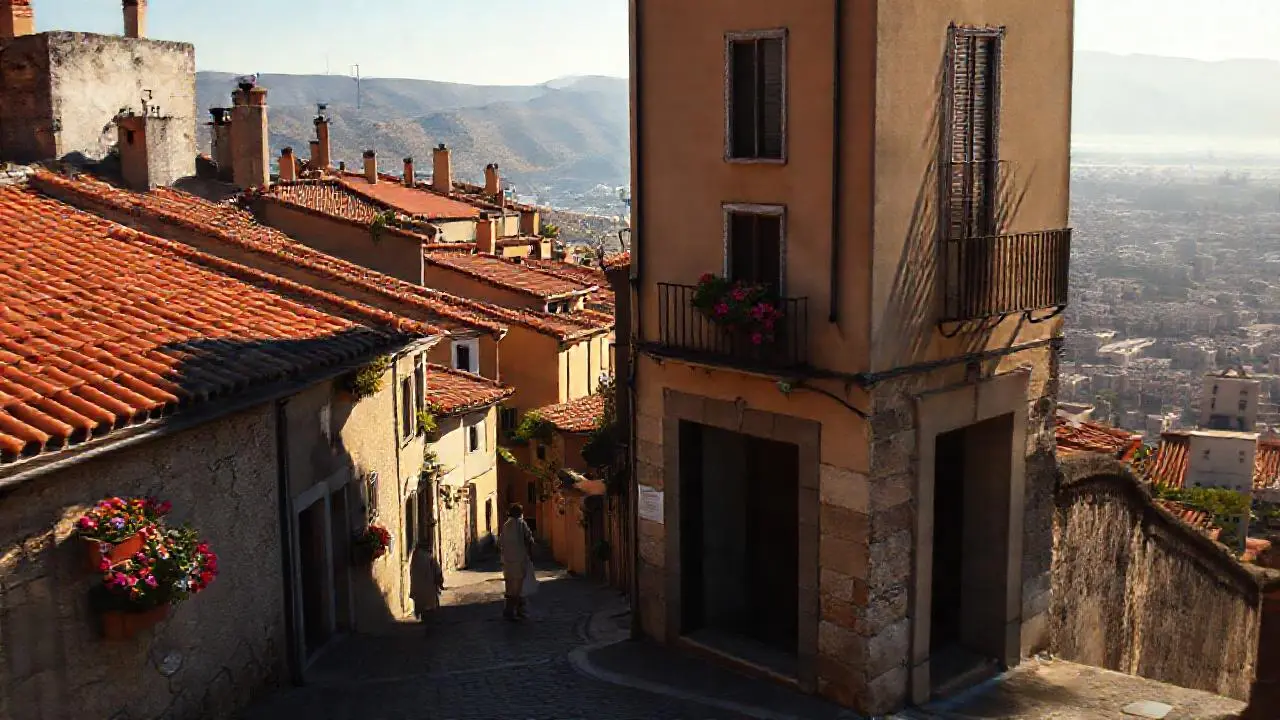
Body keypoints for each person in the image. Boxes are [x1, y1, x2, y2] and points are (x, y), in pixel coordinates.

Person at [498, 503, 535, 621]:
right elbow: (529, 539)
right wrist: (531, 553)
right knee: (518, 588)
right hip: (519, 560)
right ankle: (516, 611)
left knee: (509, 586)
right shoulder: (521, 524)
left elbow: (500, 543)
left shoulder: (506, 525)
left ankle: (509, 610)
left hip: (507, 561)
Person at [409, 540, 445, 627]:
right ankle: (431, 625)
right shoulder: (430, 558)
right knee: (430, 607)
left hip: (418, 589)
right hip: (429, 588)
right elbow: (437, 572)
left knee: (422, 607)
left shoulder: (415, 559)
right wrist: (440, 583)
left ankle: (425, 622)